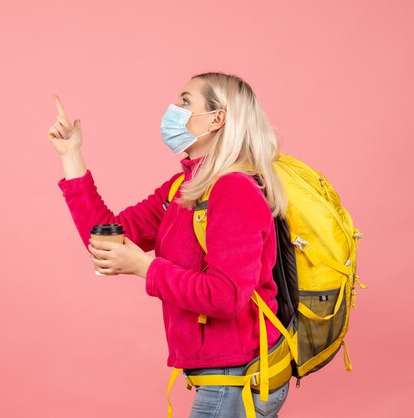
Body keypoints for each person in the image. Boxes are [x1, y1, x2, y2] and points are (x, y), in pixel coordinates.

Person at [48, 72, 290, 417]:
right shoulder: (184, 186)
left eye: (186, 101)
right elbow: (105, 238)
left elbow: (226, 296)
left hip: (237, 379)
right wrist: (71, 154)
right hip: (219, 378)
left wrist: (144, 267)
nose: (173, 109)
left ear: (217, 118)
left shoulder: (234, 190)